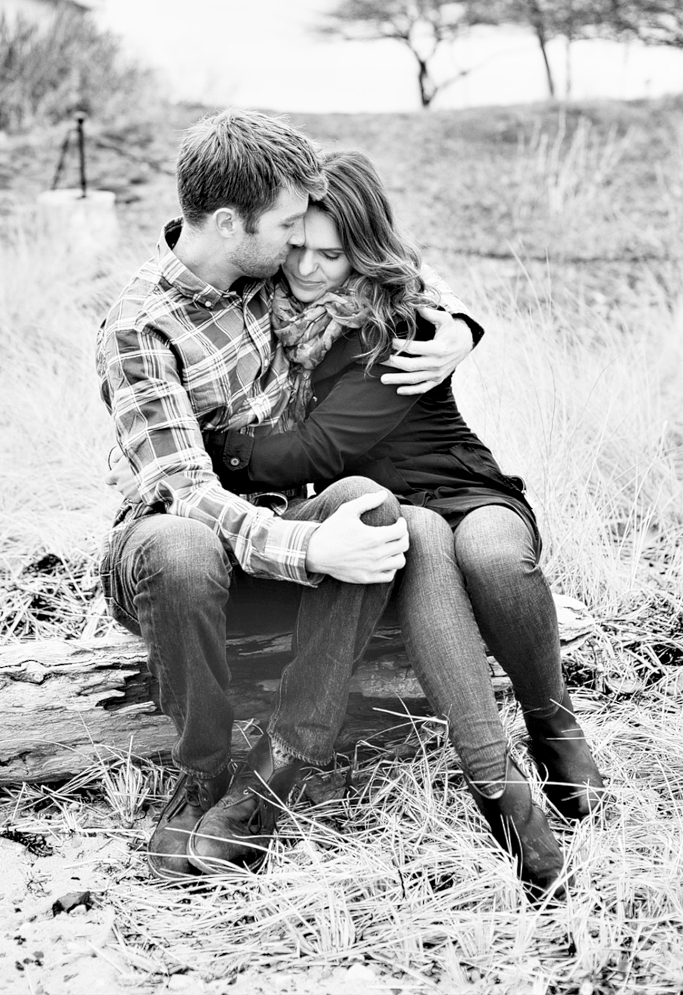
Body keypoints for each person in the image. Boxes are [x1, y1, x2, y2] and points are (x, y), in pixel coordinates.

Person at [201, 148, 605, 901]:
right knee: (415, 536)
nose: (309, 269)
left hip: (463, 486)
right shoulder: (274, 307)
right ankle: (502, 792)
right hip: (396, 511)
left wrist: (219, 444)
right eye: (298, 247)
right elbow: (196, 231)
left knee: (489, 554)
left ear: (364, 251)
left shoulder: (397, 319)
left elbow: (317, 450)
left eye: (332, 253)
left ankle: (553, 722)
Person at [96, 111, 482, 880]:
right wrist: (312, 548)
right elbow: (184, 492)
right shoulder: (140, 328)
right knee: (183, 548)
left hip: (274, 540)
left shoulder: (260, 262)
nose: (299, 244)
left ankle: (280, 766)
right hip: (169, 552)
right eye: (286, 226)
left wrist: (463, 324)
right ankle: (199, 774)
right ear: (233, 223)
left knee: (370, 503)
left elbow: (379, 260)